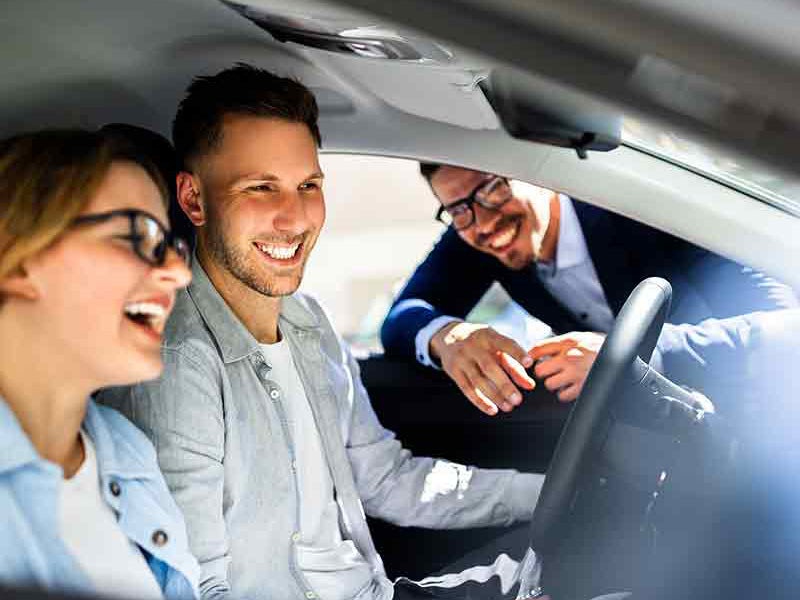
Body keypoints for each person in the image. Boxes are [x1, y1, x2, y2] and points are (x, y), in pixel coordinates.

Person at [98, 64, 545, 600]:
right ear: (194, 200)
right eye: (261, 188)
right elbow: (192, 587)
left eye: (308, 185)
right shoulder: (180, 363)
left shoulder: (308, 320)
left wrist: (546, 494)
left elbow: (387, 480)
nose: (294, 217)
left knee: (581, 567)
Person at [380, 165, 798, 415]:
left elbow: (782, 327)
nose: (484, 223)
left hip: (759, 411)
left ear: (536, 172)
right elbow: (402, 316)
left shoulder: (639, 208)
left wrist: (626, 357)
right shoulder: (473, 234)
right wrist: (448, 337)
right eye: (457, 209)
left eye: (493, 187)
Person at [0, 129, 199, 598]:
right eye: (139, 234)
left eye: (173, 246)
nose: (179, 272)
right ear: (17, 258)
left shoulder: (126, 451)